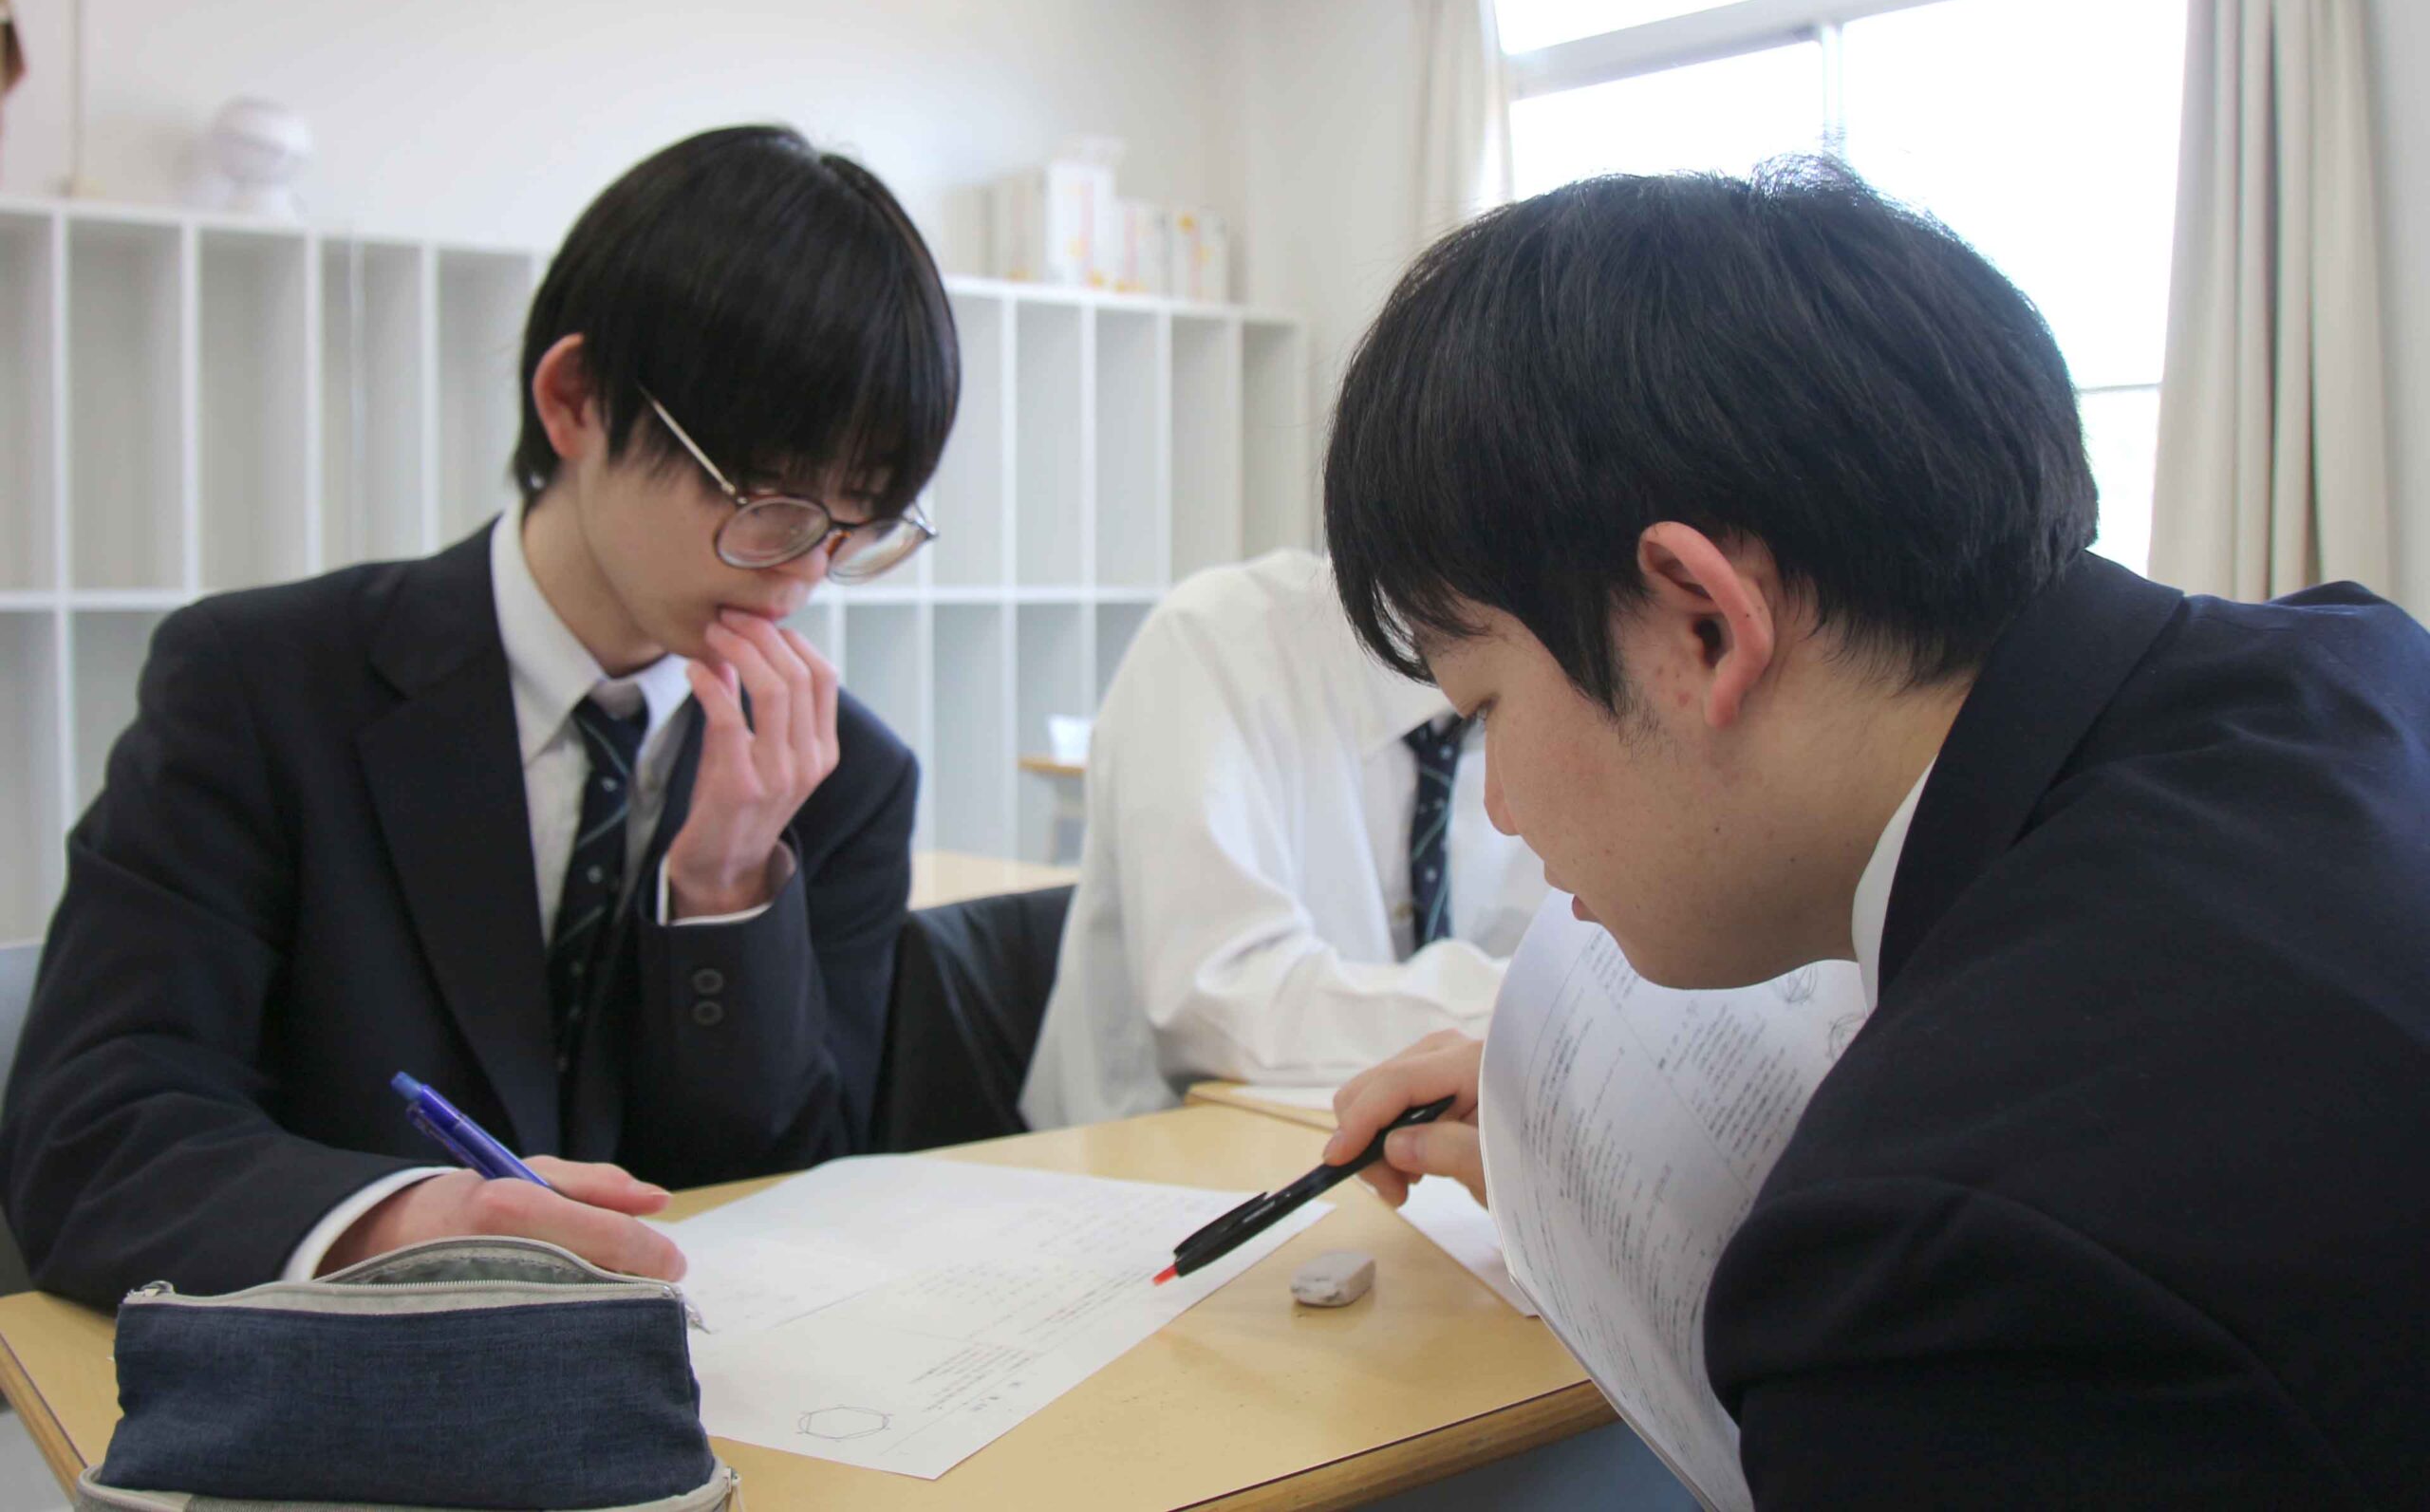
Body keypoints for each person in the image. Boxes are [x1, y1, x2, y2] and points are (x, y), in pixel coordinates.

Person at [1319, 160, 2429, 1506]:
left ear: (1701, 623)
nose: (1498, 801)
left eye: (1486, 702)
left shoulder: (1926, 1278)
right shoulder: (2353, 668)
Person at [0, 125, 958, 1307]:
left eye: (859, 521)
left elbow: (800, 1194)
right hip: (341, 1384)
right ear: (576, 401)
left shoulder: (843, 776)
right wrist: (409, 1223)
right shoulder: (258, 687)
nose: (803, 569)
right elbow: (92, 1136)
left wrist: (725, 895)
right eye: (764, 497)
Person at [1019, 548, 1544, 1129]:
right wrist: (1534, 1013)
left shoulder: (1558, 695)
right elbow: (1223, 1008)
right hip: (1144, 1150)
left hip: (1416, 1144)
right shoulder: (1211, 642)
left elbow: (1569, 954)